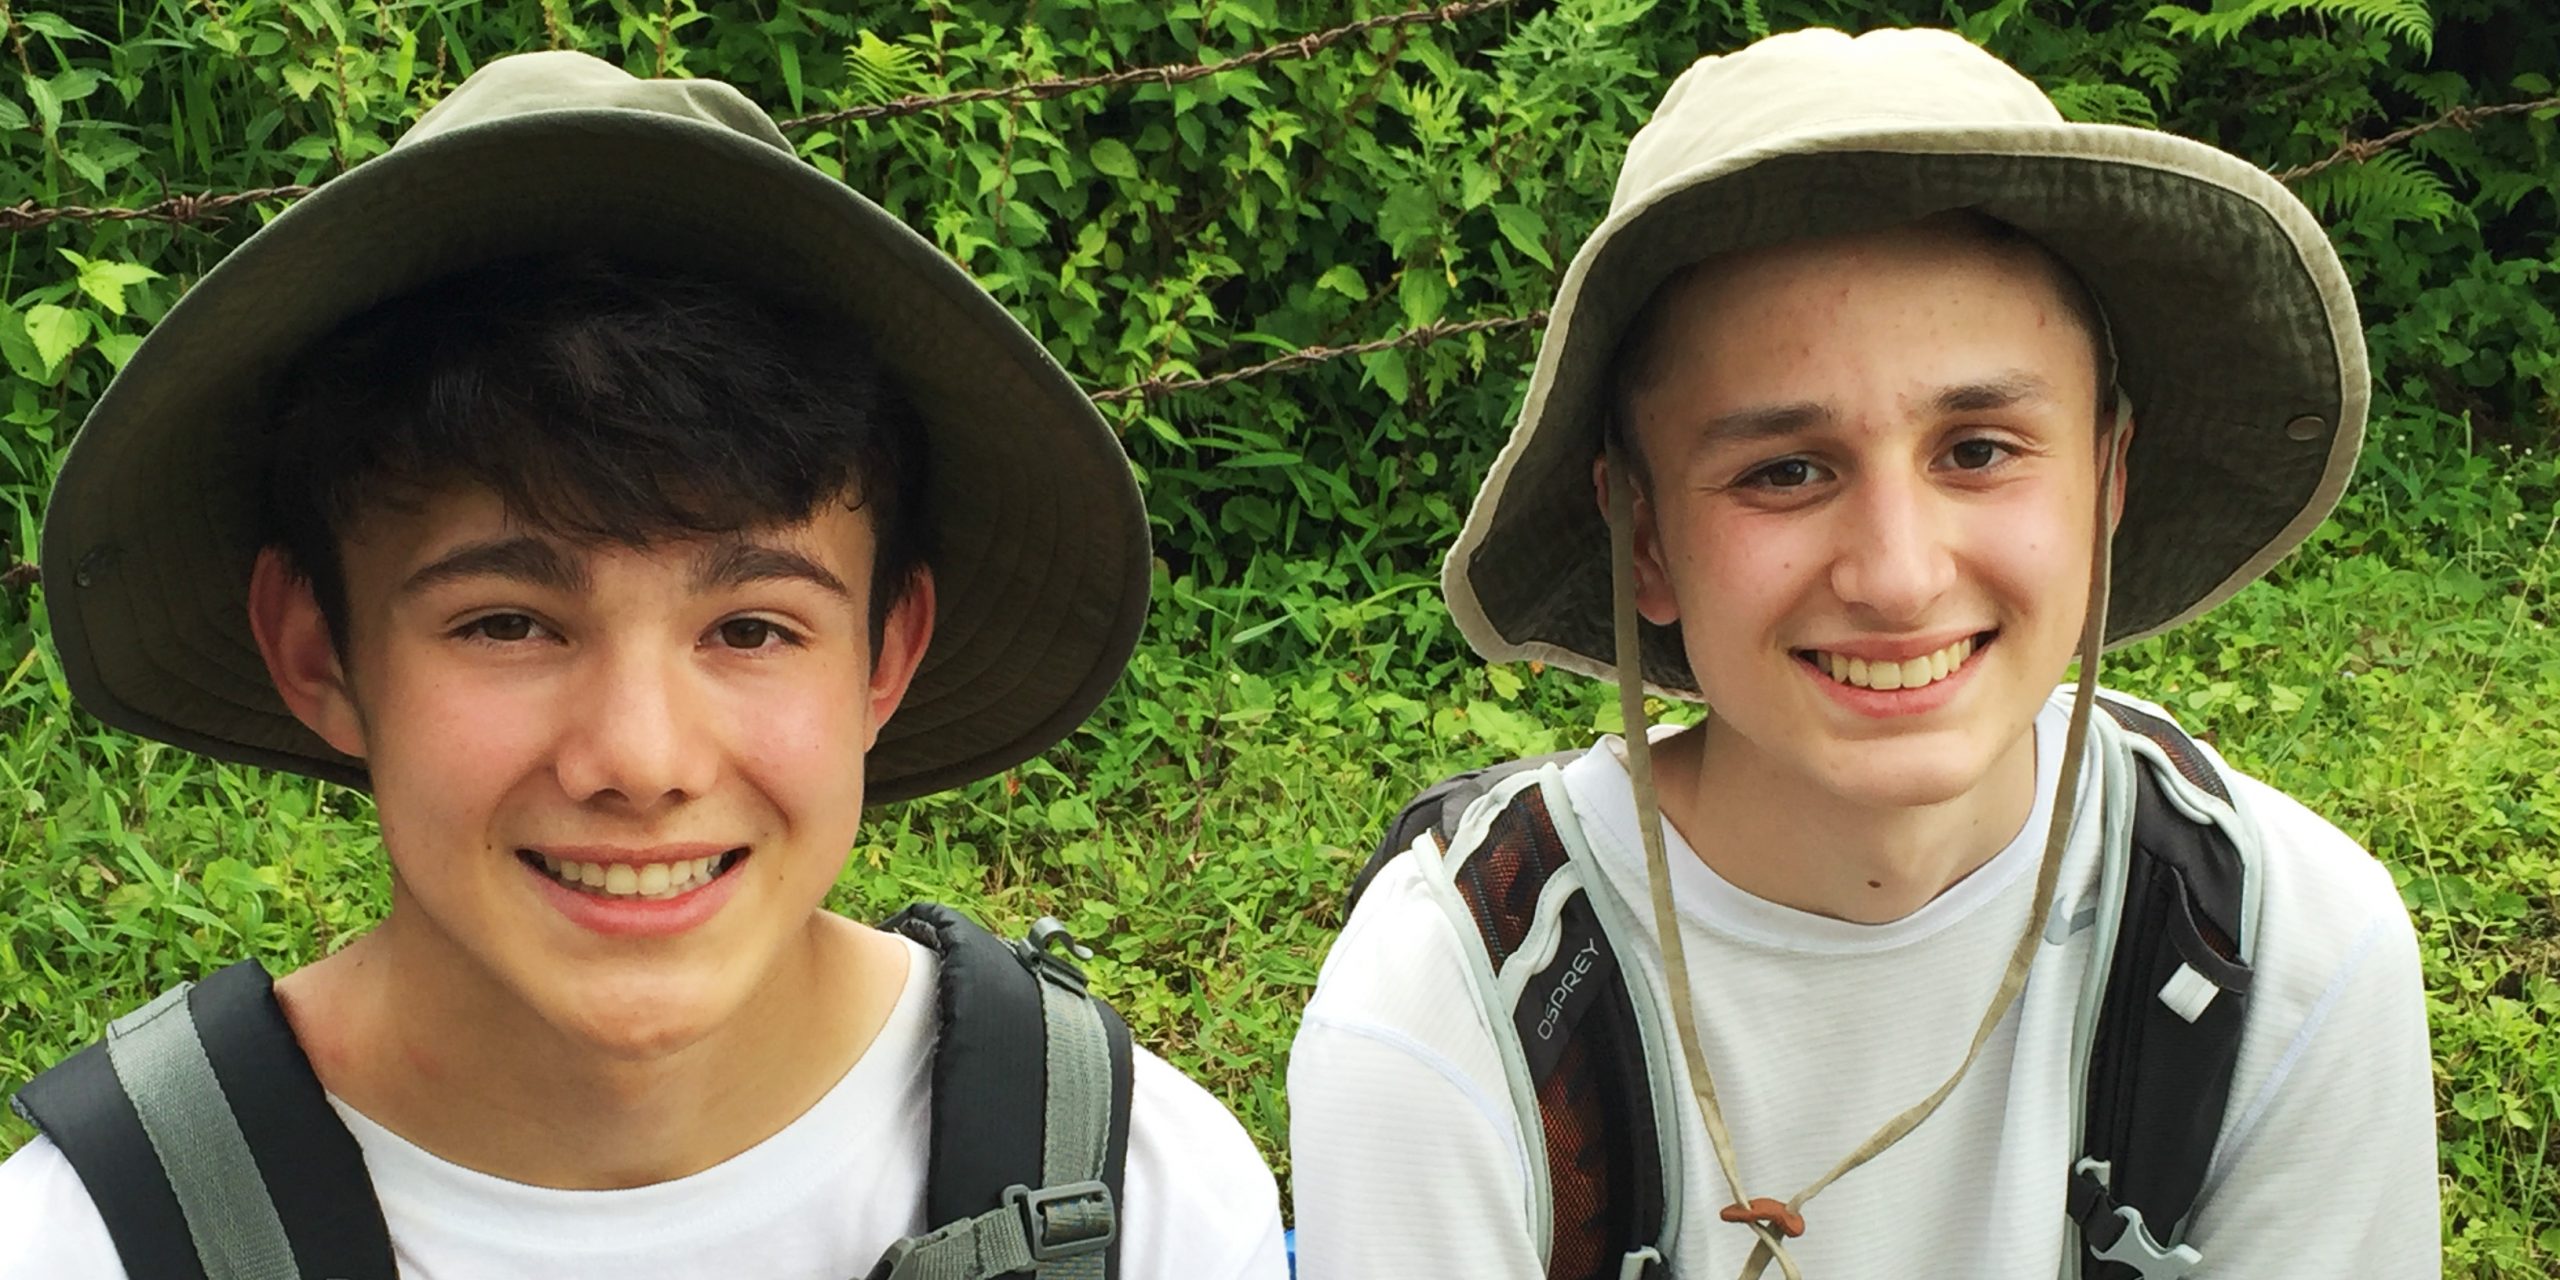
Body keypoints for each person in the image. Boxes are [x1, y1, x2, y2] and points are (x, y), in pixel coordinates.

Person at [0, 51, 1284, 1280]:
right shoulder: (83, 1246)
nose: (640, 759)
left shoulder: (1138, 1198)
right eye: (508, 622)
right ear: (316, 648)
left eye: (752, 627)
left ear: (886, 653)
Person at [1288, 27, 2435, 1280]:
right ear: (1644, 535)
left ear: (2108, 477)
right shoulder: (1447, 1013)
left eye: (1980, 448)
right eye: (1785, 470)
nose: (1896, 573)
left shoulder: (2283, 947)